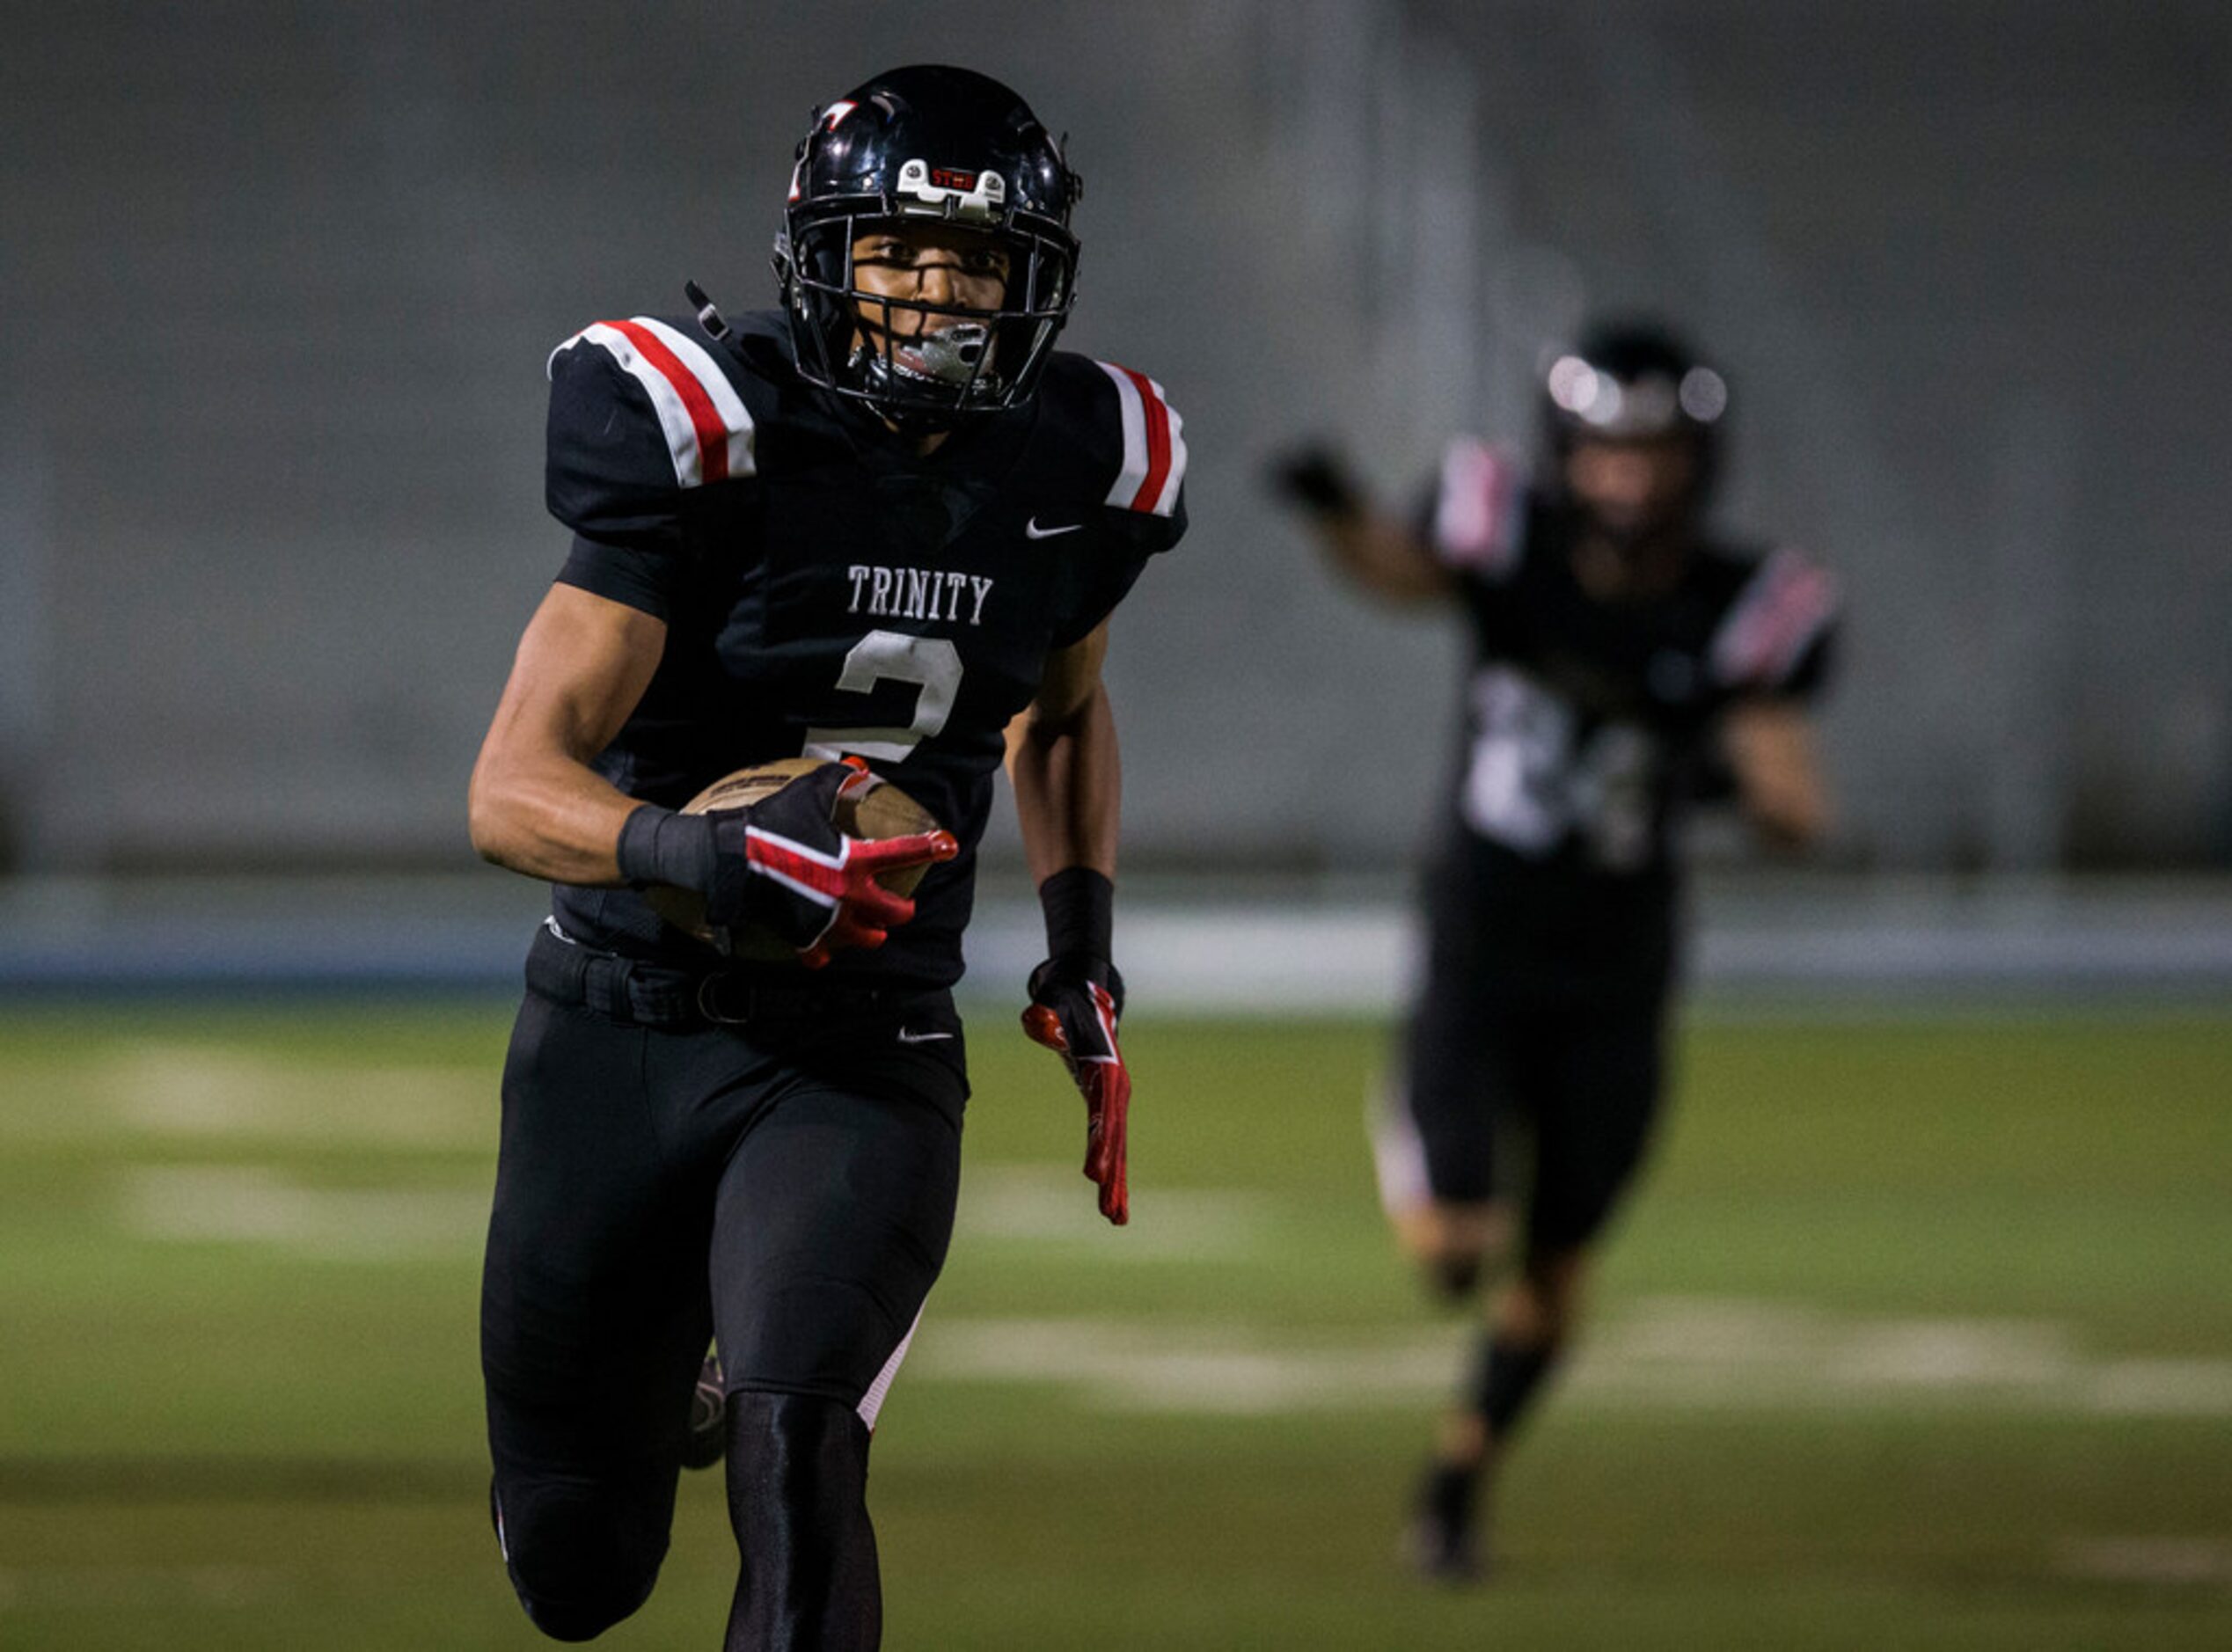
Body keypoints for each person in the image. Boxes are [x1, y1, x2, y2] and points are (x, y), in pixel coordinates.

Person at [465, 63, 1186, 1648]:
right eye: (903, 254)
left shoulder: (1080, 465)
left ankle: (758, 1352)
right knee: (576, 1573)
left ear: (1034, 279)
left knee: (803, 1444)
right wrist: (706, 858)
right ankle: (667, 1369)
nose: (941, 292)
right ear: (825, 257)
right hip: (623, 1016)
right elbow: (512, 785)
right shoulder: (707, 431)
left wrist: (1080, 944)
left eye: (980, 262)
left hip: (867, 1033)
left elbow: (1059, 717)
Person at [1271, 319, 1836, 1581]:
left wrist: (1723, 776)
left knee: (1559, 1256)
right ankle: (1415, 1114)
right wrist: (1336, 512)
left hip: (1617, 970)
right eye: (1606, 454)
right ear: (1564, 452)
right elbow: (1405, 569)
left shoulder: (1740, 606)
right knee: (1450, 1253)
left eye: (1651, 456)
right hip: (1484, 936)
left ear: (1695, 461)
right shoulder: (1506, 533)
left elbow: (1796, 796)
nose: (1626, 481)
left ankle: (1457, 1475)